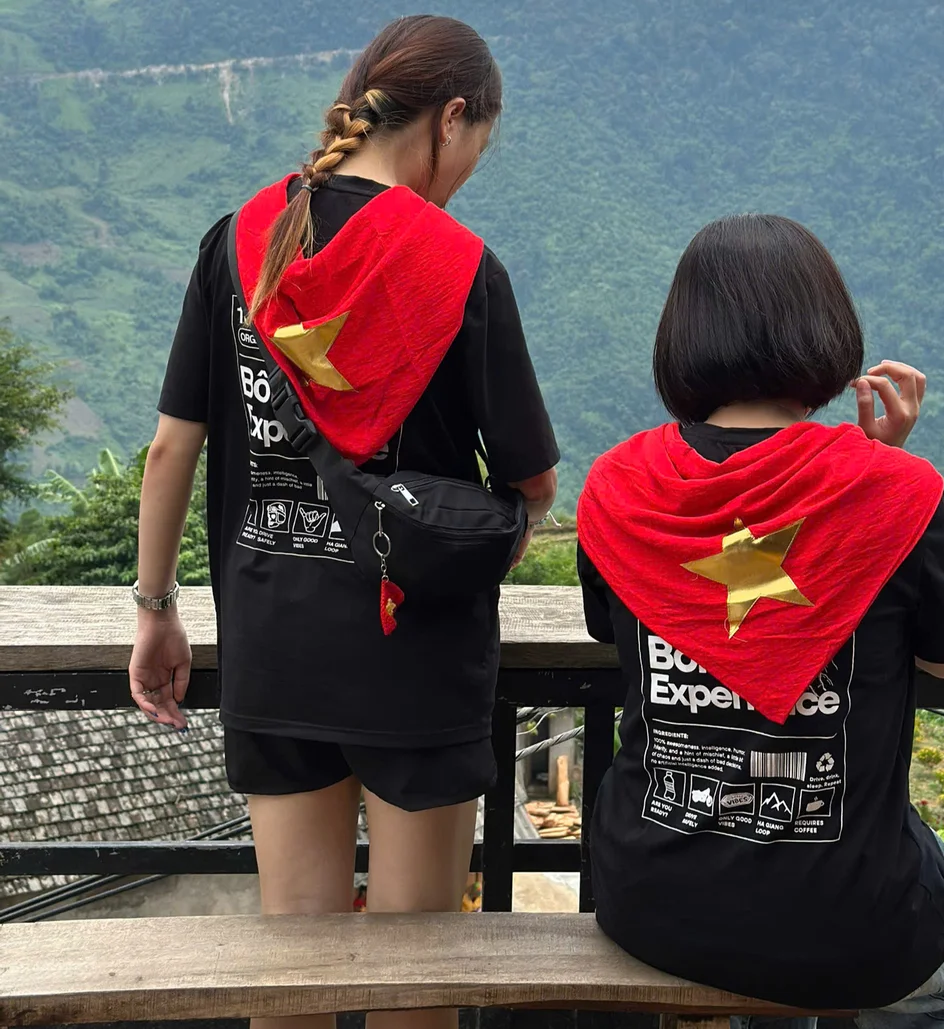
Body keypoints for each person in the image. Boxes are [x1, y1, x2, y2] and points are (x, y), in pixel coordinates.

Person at [129, 16, 558, 1029]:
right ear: (452, 119)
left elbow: (170, 449)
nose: (469, 176)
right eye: (478, 148)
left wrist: (156, 609)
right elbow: (533, 480)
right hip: (416, 650)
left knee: (295, 965)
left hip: (274, 644)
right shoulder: (460, 265)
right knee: (419, 976)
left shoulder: (239, 239)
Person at [576, 215, 944, 1027]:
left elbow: (616, 634)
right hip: (845, 915)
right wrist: (885, 462)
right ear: (825, 332)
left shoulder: (615, 487)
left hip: (647, 895)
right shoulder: (895, 491)